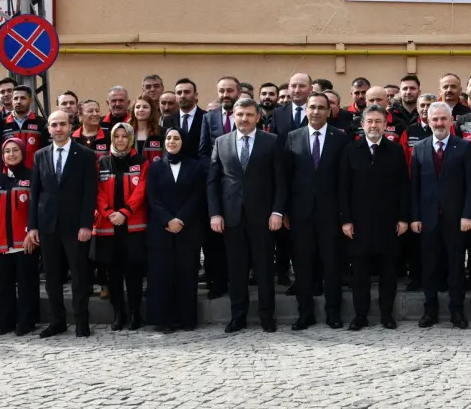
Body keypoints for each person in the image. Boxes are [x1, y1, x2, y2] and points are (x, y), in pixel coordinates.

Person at [209, 99, 286, 333]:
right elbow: (212, 181)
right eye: (240, 114)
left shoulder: (271, 141)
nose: (244, 119)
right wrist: (215, 213)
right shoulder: (221, 142)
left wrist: (277, 211)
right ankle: (238, 316)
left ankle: (267, 315)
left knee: (264, 268)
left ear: (258, 117)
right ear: (233, 116)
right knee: (236, 269)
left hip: (263, 217)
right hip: (231, 218)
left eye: (249, 114)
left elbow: (281, 182)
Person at [28, 110, 98, 338]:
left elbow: (90, 193)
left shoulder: (86, 155)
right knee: (52, 278)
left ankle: (81, 322)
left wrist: (87, 224)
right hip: (48, 226)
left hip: (76, 226)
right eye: (53, 125)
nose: (58, 129)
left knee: (79, 277)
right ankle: (57, 321)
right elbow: (35, 192)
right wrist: (33, 226)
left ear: (70, 126)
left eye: (62, 124)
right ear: (48, 128)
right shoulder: (40, 155)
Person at [339, 104, 409, 329]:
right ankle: (361, 315)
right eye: (369, 121)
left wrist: (403, 218)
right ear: (362, 125)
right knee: (360, 274)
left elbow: (402, 187)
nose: (374, 125)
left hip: (388, 222)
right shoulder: (351, 150)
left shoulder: (395, 150)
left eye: (378, 121)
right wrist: (346, 220)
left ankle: (386, 314)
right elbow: (344, 188)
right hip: (358, 223)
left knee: (389, 273)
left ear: (386, 125)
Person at [283, 92, 349, 329]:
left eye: (322, 107)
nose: (316, 111)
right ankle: (305, 314)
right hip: (300, 214)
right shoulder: (292, 137)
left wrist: (344, 214)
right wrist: (285, 211)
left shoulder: (340, 138)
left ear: (329, 111)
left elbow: (344, 180)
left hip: (330, 213)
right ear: (306, 109)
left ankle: (333, 312)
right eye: (312, 107)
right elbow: (286, 179)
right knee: (302, 266)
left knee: (332, 265)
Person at [410, 101, 471, 328]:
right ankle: (430, 311)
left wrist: (468, 215)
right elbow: (414, 187)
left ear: (451, 121)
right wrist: (415, 217)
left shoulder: (464, 147)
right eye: (435, 119)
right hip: (427, 220)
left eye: (443, 119)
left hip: (456, 219)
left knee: (455, 266)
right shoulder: (418, 148)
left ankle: (456, 311)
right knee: (429, 266)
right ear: (428, 122)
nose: (439, 123)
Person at [147, 128, 207, 333]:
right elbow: (152, 198)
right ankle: (164, 320)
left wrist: (181, 219)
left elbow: (198, 196)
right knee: (162, 276)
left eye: (177, 138)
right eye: (169, 138)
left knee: (187, 275)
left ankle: (186, 319)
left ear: (184, 141)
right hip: (161, 229)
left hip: (187, 228)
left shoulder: (196, 167)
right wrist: (167, 220)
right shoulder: (154, 168)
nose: (172, 141)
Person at [94, 122, 148, 331]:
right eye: (116, 136)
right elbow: (96, 191)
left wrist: (125, 212)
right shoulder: (102, 162)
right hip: (108, 227)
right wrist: (109, 213)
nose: (120, 140)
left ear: (131, 138)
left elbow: (141, 191)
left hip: (133, 227)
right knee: (113, 274)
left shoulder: (141, 161)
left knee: (133, 273)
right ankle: (119, 313)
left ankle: (135, 313)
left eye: (124, 136)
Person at [0, 137, 38, 335]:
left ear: (23, 152)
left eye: (15, 150)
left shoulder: (32, 176)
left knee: (26, 284)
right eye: (7, 151)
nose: (11, 154)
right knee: (4, 285)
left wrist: (30, 232)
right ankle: (5, 321)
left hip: (24, 241)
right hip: (0, 241)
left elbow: (36, 207)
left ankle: (26, 322)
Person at [162, 78, 211, 158]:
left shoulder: (207, 117)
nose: (183, 96)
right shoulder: (167, 120)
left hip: (200, 167)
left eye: (187, 92)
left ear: (195, 95)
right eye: (179, 93)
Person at [2, 84, 48, 156]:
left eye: (23, 98)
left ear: (31, 100)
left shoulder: (41, 123)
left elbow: (45, 151)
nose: (19, 101)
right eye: (15, 98)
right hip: (10, 167)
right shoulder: (2, 123)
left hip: (34, 167)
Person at [274, 72, 313, 138]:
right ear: (288, 88)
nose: (297, 90)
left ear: (311, 89)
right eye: (293, 86)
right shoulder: (278, 113)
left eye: (302, 86)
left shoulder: (319, 112)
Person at [207, 76, 241, 143]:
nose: (225, 95)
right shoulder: (208, 117)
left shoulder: (247, 116)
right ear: (218, 93)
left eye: (230, 91)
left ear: (239, 93)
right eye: (221, 91)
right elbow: (204, 149)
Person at [131, 97, 165, 163]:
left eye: (145, 107)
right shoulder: (127, 132)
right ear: (133, 110)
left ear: (152, 111)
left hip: (154, 172)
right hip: (132, 172)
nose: (141, 110)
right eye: (137, 107)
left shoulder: (162, 132)